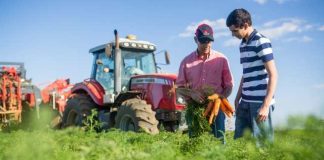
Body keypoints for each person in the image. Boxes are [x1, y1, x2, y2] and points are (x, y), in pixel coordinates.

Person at [226, 8, 278, 144]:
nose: (233, 34)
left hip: (260, 103)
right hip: (244, 102)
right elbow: (246, 73)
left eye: (235, 31)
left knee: (262, 146)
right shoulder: (242, 44)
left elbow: (273, 75)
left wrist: (266, 106)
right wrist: (237, 98)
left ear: (245, 25)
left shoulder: (261, 42)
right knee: (240, 143)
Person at [176, 24, 234, 142]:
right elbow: (179, 88)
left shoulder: (221, 59)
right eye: (203, 41)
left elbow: (229, 85)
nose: (207, 44)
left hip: (216, 108)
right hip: (194, 109)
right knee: (195, 143)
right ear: (195, 40)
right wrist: (192, 94)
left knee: (218, 142)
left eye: (209, 41)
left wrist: (220, 98)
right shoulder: (186, 62)